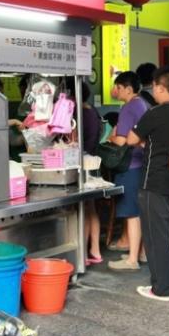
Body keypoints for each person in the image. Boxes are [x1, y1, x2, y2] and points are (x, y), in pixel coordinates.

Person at [126, 67, 169, 301]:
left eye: (154, 86)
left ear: (162, 88)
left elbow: (131, 139)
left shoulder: (155, 113)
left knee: (157, 236)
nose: (153, 91)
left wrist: (146, 140)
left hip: (154, 181)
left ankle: (161, 288)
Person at [107, 71, 151, 271]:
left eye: (118, 87)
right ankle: (140, 252)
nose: (116, 91)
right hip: (142, 163)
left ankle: (132, 259)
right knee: (139, 211)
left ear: (127, 88)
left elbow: (122, 140)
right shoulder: (142, 104)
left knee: (132, 213)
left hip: (129, 165)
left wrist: (110, 138)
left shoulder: (128, 107)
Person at [74, 81, 104, 265]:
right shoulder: (92, 111)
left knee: (84, 209)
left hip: (84, 163)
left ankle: (83, 255)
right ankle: (96, 250)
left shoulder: (82, 114)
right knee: (91, 209)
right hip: (92, 161)